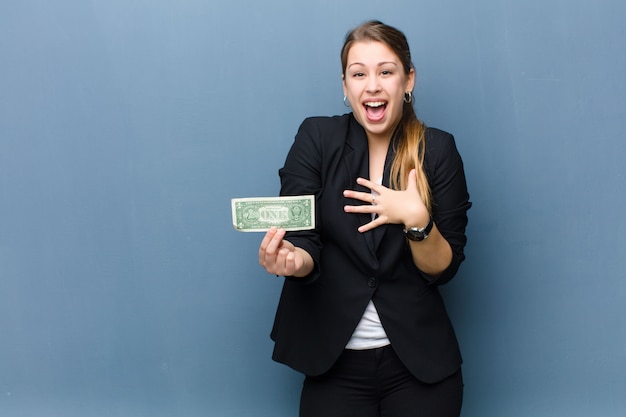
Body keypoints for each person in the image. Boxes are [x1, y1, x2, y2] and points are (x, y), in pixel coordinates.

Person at [258, 20, 471, 417]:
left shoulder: (438, 150)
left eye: (386, 71)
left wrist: (416, 222)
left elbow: (443, 268)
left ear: (408, 81)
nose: (372, 85)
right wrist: (292, 261)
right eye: (359, 74)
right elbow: (301, 235)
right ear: (345, 86)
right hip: (332, 364)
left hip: (420, 368)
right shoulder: (316, 139)